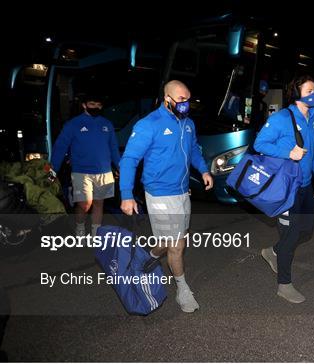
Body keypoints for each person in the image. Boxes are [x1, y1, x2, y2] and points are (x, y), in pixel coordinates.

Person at [119, 80, 213, 313]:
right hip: (160, 194)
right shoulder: (149, 124)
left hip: (183, 192)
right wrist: (126, 195)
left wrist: (203, 170)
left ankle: (147, 256)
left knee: (171, 240)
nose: (186, 104)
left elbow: (193, 150)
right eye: (181, 100)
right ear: (167, 98)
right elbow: (129, 160)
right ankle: (183, 290)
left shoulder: (188, 123)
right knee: (177, 245)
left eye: (188, 99)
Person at [254, 75, 314, 303]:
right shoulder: (282, 118)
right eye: (309, 90)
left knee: (306, 230)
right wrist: (288, 153)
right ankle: (284, 285)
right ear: (296, 93)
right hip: (286, 187)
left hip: (305, 186)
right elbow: (259, 144)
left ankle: (273, 251)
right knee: (291, 233)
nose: (313, 93)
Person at [51, 94, 120, 237]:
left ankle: (96, 233)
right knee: (84, 204)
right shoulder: (73, 124)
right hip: (81, 172)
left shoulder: (107, 124)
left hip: (104, 172)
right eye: (92, 103)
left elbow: (113, 148)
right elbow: (60, 147)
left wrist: (120, 167)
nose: (96, 107)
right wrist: (53, 169)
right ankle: (80, 227)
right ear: (84, 105)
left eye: (99, 105)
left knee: (98, 203)